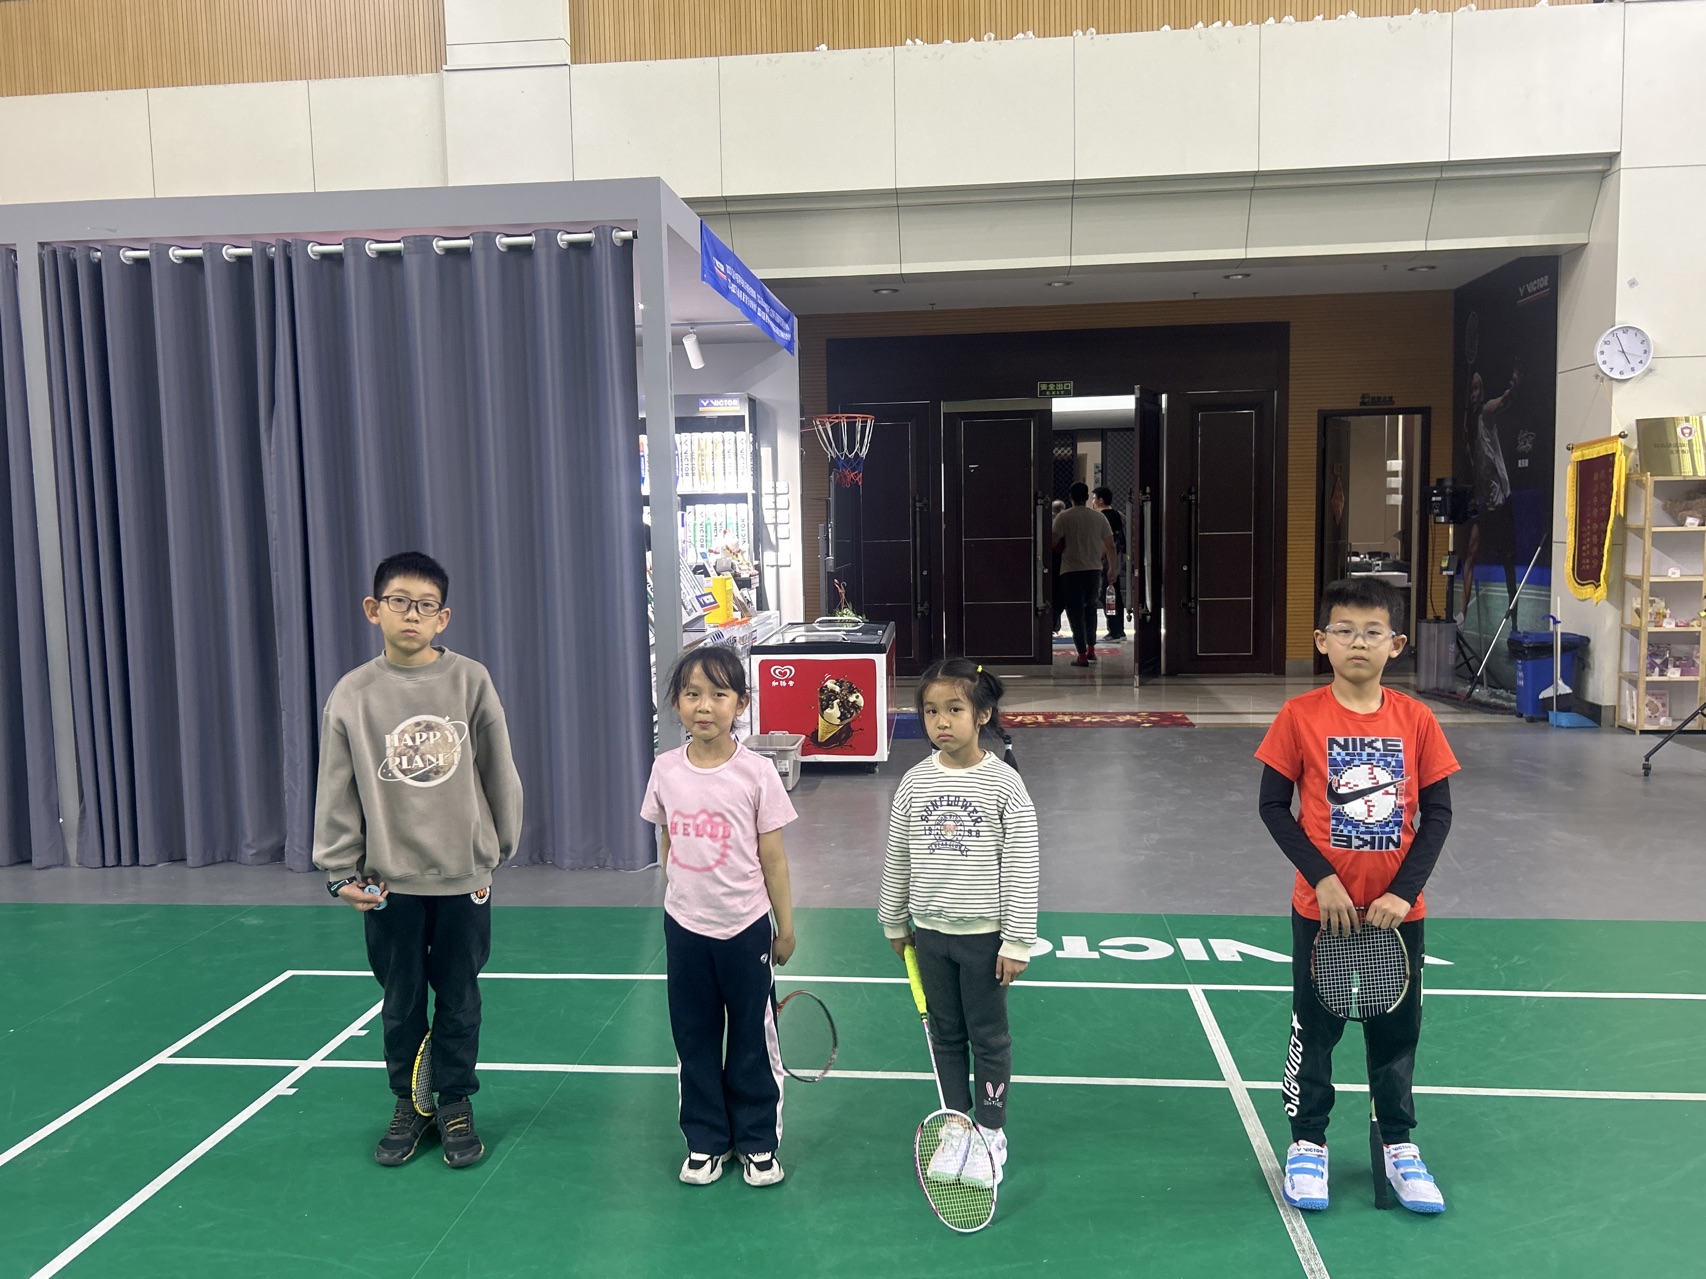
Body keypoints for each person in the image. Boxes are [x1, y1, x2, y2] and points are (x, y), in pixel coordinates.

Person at [1255, 577, 1459, 1215]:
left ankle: (1399, 1145)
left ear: (1396, 644)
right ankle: (1307, 1142)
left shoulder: (1416, 720)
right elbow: (1273, 806)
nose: (1358, 643)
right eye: (1344, 631)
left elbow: (1438, 814)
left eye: (1373, 632)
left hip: (1397, 916)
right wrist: (1322, 878)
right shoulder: (1299, 716)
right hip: (1323, 913)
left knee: (1396, 1033)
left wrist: (1403, 892)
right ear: (1322, 641)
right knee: (1315, 1030)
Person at [314, 551, 524, 1170]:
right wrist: (339, 871)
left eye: (426, 605)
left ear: (443, 618)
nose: (412, 615)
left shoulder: (470, 680)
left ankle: (454, 1100)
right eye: (399, 602)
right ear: (373, 609)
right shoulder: (353, 694)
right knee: (401, 1000)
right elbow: (337, 787)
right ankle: (410, 1102)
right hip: (388, 883)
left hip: (463, 877)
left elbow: (499, 768)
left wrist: (495, 848)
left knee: (459, 997)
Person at [879, 658, 1039, 1190]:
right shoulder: (914, 782)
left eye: (954, 710)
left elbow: (1022, 865)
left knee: (987, 1037)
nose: (941, 722)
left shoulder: (1005, 785)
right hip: (930, 936)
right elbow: (898, 855)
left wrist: (1017, 940)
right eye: (930, 712)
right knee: (944, 1034)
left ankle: (990, 1131)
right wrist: (893, 920)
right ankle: (956, 1124)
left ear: (982, 714)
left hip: (985, 941)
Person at [642, 645, 798, 1188]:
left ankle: (757, 1141)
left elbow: (773, 857)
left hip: (746, 927)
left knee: (752, 1038)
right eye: (692, 694)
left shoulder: (757, 773)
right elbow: (667, 838)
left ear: (741, 704)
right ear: (676, 704)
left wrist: (786, 926)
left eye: (718, 694)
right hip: (685, 929)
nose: (704, 706)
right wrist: (682, 894)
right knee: (694, 1036)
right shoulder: (665, 770)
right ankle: (706, 1140)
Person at [1052, 482, 1116, 667]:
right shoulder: (1099, 517)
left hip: (1070, 570)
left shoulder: (1063, 517)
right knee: (1090, 609)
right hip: (1093, 569)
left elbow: (1053, 542)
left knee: (1075, 612)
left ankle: (1080, 654)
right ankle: (1091, 649)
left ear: (1070, 497)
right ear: (1087, 497)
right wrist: (1112, 568)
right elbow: (1110, 546)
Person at [1092, 486, 1128, 640]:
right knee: (1114, 594)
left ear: (1101, 500)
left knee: (1106, 595)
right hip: (1118, 560)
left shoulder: (1100, 517)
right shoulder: (1119, 515)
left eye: (1094, 498)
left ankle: (1115, 631)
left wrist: (1098, 558)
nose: (1093, 501)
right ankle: (1119, 629)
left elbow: (1105, 542)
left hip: (1106, 562)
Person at [1049, 499, 1067, 634]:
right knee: (1060, 594)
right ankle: (1055, 625)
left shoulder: (1048, 521)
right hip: (1064, 561)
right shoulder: (1065, 521)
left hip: (1051, 561)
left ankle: (1053, 625)